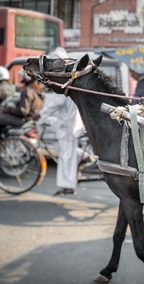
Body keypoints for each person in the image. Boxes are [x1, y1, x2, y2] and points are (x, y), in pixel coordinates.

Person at [38, 47, 90, 196]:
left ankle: (68, 186)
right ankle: (83, 156)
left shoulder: (65, 80)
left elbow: (57, 102)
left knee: (66, 156)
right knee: (65, 152)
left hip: (68, 125)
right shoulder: (69, 77)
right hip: (69, 123)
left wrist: (40, 115)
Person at [0, 68, 45, 157]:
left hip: (22, 119)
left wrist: (8, 110)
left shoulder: (27, 90)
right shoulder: (39, 91)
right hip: (31, 120)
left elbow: (23, 111)